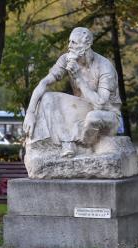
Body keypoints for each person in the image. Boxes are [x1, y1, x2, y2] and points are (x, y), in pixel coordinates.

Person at [23, 27, 121, 158]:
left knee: (93, 117)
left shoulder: (104, 66)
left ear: (87, 44)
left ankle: (84, 148)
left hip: (106, 115)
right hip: (82, 109)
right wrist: (30, 112)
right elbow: (44, 83)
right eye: (69, 42)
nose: (69, 46)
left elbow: (100, 104)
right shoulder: (66, 59)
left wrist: (79, 78)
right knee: (47, 97)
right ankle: (67, 143)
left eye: (74, 43)